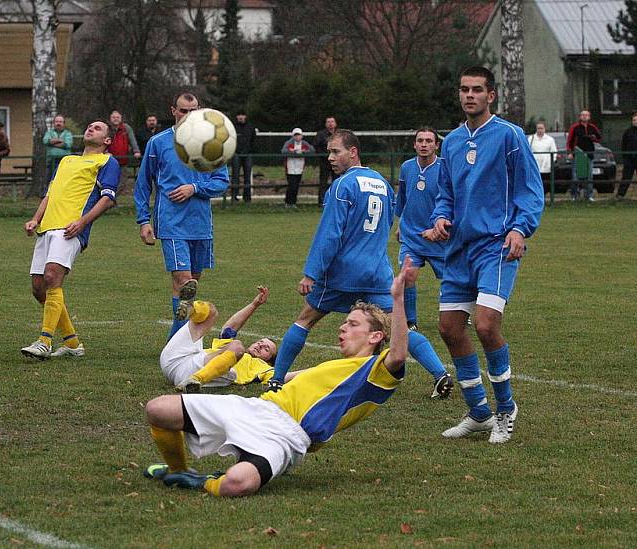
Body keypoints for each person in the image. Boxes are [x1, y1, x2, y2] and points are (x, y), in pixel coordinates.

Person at [142, 256, 415, 497]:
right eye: (344, 323)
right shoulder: (332, 367)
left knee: (236, 484)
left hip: (286, 438)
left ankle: (204, 482)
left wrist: (398, 299)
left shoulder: (375, 372)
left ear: (376, 336)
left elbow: (399, 355)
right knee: (158, 409)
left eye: (352, 324)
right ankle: (178, 471)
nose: (343, 328)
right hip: (259, 408)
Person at [266, 130, 450, 400]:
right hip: (377, 272)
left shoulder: (342, 186)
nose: (330, 157)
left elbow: (330, 233)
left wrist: (311, 273)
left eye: (335, 151)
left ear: (352, 152)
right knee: (397, 325)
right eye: (329, 152)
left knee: (305, 320)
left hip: (343, 273)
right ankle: (440, 374)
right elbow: (386, 223)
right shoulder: (381, 182)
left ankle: (277, 379)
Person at [428, 66, 543, 443]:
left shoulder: (509, 136)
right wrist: (442, 216)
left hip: (496, 246)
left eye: (477, 90)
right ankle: (479, 413)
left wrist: (519, 227)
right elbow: (445, 191)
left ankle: (506, 409)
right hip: (458, 248)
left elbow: (530, 188)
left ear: (491, 95)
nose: (469, 96)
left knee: (486, 325)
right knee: (448, 328)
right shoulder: (452, 142)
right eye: (464, 89)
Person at [134, 92, 230, 340]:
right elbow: (144, 183)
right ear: (174, 111)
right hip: (171, 222)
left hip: (200, 224)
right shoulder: (158, 143)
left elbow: (222, 181)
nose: (189, 115)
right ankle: (178, 344)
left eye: (194, 111)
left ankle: (175, 339)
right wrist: (144, 220)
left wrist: (195, 188)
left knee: (192, 285)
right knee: (184, 282)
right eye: (184, 111)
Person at [21, 120, 120, 359]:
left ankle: (44, 341)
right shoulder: (67, 160)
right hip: (47, 227)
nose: (90, 129)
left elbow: (107, 198)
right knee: (38, 288)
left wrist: (83, 222)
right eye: (90, 126)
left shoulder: (107, 161)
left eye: (97, 128)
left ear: (107, 141)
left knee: (52, 277)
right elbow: (49, 193)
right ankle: (73, 343)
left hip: (70, 229)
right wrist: (35, 219)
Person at [395, 127, 454, 397]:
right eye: (420, 140)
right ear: (415, 144)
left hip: (439, 236)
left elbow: (453, 199)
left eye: (428, 141)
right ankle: (411, 321)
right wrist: (399, 223)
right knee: (407, 276)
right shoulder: (407, 167)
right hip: (411, 235)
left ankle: (458, 314)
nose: (423, 144)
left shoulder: (445, 168)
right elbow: (403, 198)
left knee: (454, 280)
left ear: (436, 145)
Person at [162, 284, 277, 393]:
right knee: (212, 311)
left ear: (269, 361)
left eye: (266, 349)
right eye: (260, 342)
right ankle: (191, 309)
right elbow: (229, 328)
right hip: (176, 359)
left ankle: (195, 380)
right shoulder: (227, 345)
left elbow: (288, 377)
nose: (261, 345)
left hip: (196, 371)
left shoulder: (263, 367)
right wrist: (254, 304)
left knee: (237, 346)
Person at [567, 109, 601, 201]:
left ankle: (589, 195)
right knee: (575, 176)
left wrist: (593, 137)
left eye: (586, 115)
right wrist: (570, 152)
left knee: (589, 175)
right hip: (577, 154)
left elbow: (599, 138)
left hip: (589, 154)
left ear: (589, 117)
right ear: (580, 117)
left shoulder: (592, 127)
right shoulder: (575, 127)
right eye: (582, 115)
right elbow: (570, 140)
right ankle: (574, 195)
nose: (584, 116)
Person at [280, 128, 314, 208]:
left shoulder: (304, 143)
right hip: (290, 168)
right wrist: (293, 152)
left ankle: (293, 202)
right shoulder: (289, 143)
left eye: (299, 135)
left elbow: (312, 150)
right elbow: (283, 151)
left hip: (299, 168)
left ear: (301, 136)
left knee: (296, 186)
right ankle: (288, 202)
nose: (297, 137)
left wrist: (304, 152)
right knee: (291, 185)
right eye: (295, 135)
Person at [42, 114, 73, 193]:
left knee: (64, 180)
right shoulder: (49, 132)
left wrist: (53, 142)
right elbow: (46, 141)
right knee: (50, 179)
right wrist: (61, 141)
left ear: (64, 123)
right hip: (51, 161)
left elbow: (68, 144)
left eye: (60, 122)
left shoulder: (68, 133)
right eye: (57, 121)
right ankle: (47, 195)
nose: (58, 123)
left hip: (65, 162)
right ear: (54, 123)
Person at [231, 111, 256, 202]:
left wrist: (249, 150)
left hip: (247, 154)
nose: (241, 117)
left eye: (242, 115)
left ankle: (247, 198)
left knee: (247, 176)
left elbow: (253, 140)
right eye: (239, 115)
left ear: (245, 116)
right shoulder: (233, 127)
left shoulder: (250, 127)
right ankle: (234, 197)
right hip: (236, 154)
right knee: (235, 176)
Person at [313, 116, 337, 207]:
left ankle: (335, 201)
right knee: (323, 182)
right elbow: (316, 146)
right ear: (325, 124)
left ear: (335, 123)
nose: (330, 124)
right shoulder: (321, 134)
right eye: (328, 122)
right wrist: (323, 156)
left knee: (337, 182)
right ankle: (322, 202)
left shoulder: (338, 134)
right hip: (325, 162)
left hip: (336, 162)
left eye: (332, 121)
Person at [527, 121, 557, 190]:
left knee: (545, 183)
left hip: (546, 166)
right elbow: (528, 151)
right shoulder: (531, 139)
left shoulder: (550, 139)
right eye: (538, 128)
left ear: (544, 129)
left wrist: (551, 162)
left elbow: (554, 152)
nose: (540, 130)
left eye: (541, 128)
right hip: (534, 165)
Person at [617, 112, 637, 199]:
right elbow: (623, 145)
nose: (635, 121)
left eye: (636, 120)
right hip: (630, 159)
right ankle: (620, 195)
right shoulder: (628, 132)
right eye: (634, 120)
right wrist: (625, 156)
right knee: (626, 177)